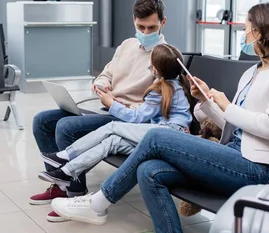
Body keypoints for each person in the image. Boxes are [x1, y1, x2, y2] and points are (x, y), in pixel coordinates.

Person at [51, 1, 269, 233]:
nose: (243, 33)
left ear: (263, 31)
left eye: (247, 28)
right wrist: (208, 102)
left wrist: (225, 104)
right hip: (234, 154)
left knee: (157, 137)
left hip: (259, 168)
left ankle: (99, 203)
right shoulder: (253, 72)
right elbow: (232, 126)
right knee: (150, 171)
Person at [30, 0, 168, 223]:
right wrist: (102, 84)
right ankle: (62, 184)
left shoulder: (165, 56)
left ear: (163, 22)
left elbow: (160, 103)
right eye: (140, 26)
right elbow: (107, 73)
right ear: (133, 20)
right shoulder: (127, 45)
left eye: (151, 27)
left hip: (129, 119)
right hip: (109, 109)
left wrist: (116, 104)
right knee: (42, 121)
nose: (145, 31)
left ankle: (75, 194)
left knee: (66, 127)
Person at [37, 44, 192, 200]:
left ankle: (65, 155)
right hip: (163, 135)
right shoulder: (174, 85)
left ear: (155, 70)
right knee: (111, 142)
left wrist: (112, 104)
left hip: (169, 135)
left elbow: (137, 117)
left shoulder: (161, 90)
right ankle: (66, 172)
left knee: (112, 127)